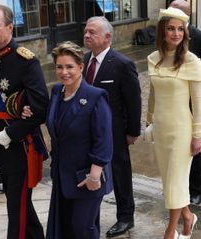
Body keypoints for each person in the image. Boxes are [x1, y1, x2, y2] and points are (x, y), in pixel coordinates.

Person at [23, 41, 113, 239]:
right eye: (59, 67)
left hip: (87, 178)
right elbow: (53, 119)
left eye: (70, 66)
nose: (64, 72)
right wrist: (29, 111)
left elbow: (104, 140)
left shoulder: (95, 97)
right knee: (64, 227)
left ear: (80, 67)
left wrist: (94, 176)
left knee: (83, 228)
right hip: (62, 175)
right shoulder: (56, 92)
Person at [0, 4, 49, 239]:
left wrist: (11, 133)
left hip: (21, 145)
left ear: (10, 27)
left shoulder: (26, 61)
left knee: (15, 208)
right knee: (15, 199)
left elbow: (40, 108)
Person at [83, 16, 141, 237]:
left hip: (114, 131)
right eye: (86, 32)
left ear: (107, 38)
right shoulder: (83, 60)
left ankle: (126, 217)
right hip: (87, 130)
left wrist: (132, 131)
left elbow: (133, 101)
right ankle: (89, 212)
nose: (87, 36)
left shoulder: (122, 64)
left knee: (120, 173)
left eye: (92, 32)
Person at [146, 6, 201, 239]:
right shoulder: (153, 58)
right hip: (161, 129)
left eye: (180, 29)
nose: (176, 34)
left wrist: (198, 134)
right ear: (163, 31)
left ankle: (171, 232)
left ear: (185, 33)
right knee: (170, 181)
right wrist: (149, 122)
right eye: (171, 29)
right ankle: (188, 216)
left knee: (176, 182)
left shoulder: (191, 61)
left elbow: (198, 102)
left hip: (182, 131)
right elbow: (153, 94)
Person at [170, 0, 201, 205]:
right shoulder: (168, 35)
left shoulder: (197, 36)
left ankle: (196, 189)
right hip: (175, 98)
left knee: (195, 146)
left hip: (194, 98)